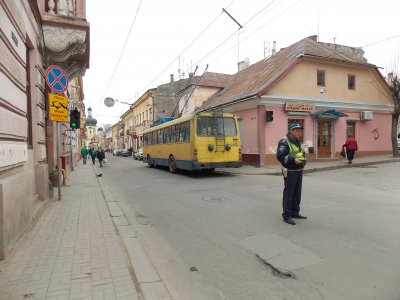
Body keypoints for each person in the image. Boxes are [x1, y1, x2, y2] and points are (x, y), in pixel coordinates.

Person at [276, 123, 307, 225]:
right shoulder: (284, 142)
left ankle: (294, 212)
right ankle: (286, 215)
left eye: (300, 131)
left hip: (299, 171)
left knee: (297, 193)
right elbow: (280, 156)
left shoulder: (298, 142)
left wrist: (303, 163)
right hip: (290, 172)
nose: (299, 132)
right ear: (292, 131)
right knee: (289, 194)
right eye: (297, 131)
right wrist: (293, 160)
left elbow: (302, 154)